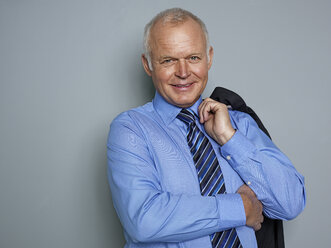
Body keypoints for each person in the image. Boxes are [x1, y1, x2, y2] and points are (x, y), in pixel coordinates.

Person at [107, 8, 305, 248]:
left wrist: (228, 138)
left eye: (193, 58)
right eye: (168, 60)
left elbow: (291, 203)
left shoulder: (239, 123)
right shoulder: (130, 129)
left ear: (209, 58)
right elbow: (144, 219)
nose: (183, 73)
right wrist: (241, 207)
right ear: (148, 64)